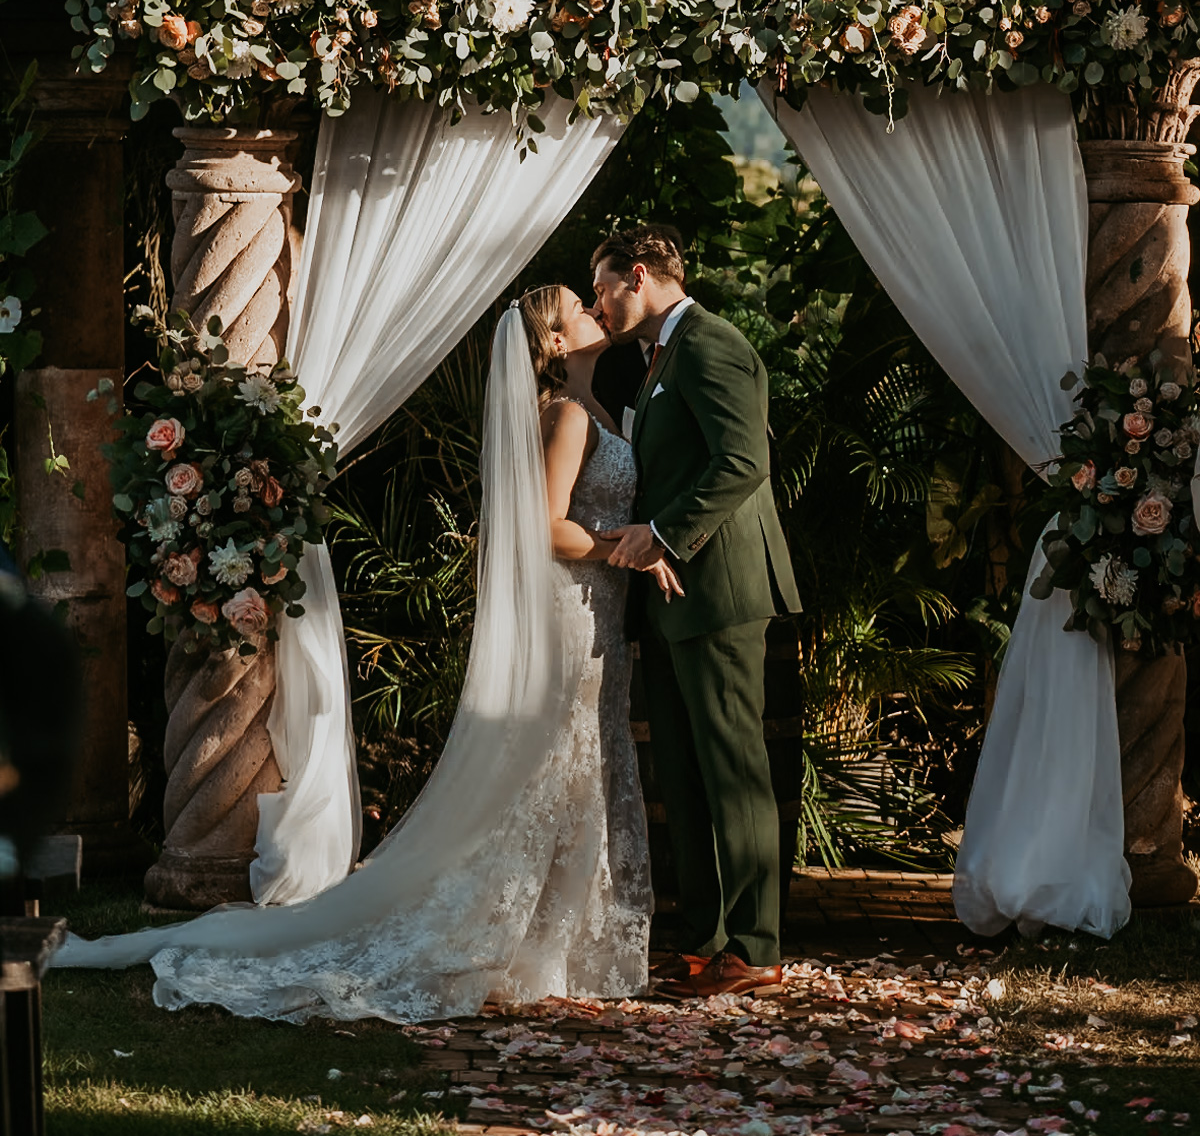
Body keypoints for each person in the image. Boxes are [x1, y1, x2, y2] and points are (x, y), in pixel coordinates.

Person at [53, 293, 656, 1021]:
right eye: (577, 306)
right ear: (556, 343)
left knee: (581, 768)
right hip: (572, 608)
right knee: (552, 768)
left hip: (599, 616)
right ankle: (522, 940)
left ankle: (558, 945)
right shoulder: (563, 417)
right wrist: (628, 547)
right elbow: (545, 529)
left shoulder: (600, 413)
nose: (595, 307)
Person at [593, 224, 801, 999]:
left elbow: (745, 460)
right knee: (683, 774)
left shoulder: (713, 344)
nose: (596, 302)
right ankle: (705, 939)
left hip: (719, 589)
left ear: (637, 275)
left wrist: (665, 537)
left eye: (601, 286)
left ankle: (755, 945)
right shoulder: (655, 362)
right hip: (674, 599)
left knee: (733, 769)